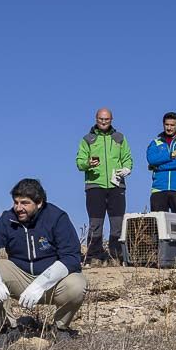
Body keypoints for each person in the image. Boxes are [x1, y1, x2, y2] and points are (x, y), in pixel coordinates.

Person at [0, 178, 87, 341]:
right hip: (21, 278)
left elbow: (71, 257)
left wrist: (41, 284)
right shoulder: (8, 219)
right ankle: (7, 327)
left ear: (39, 202)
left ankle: (60, 328)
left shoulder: (57, 217)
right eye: (16, 202)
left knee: (78, 283)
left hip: (52, 283)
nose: (19, 208)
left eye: (25, 203)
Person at [75, 107, 133, 265]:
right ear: (96, 119)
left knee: (117, 223)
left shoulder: (119, 137)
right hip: (95, 185)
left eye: (106, 119)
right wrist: (88, 163)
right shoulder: (88, 139)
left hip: (116, 186)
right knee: (95, 223)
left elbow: (127, 157)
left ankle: (116, 256)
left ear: (111, 120)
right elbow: (79, 162)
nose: (103, 121)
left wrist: (127, 168)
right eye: (101, 119)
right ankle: (94, 256)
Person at [145, 112, 176, 231]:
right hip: (159, 189)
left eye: (172, 125)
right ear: (163, 125)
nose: (169, 127)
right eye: (167, 124)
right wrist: (172, 154)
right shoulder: (155, 143)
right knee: (158, 227)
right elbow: (151, 159)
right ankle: (159, 250)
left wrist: (157, 166)